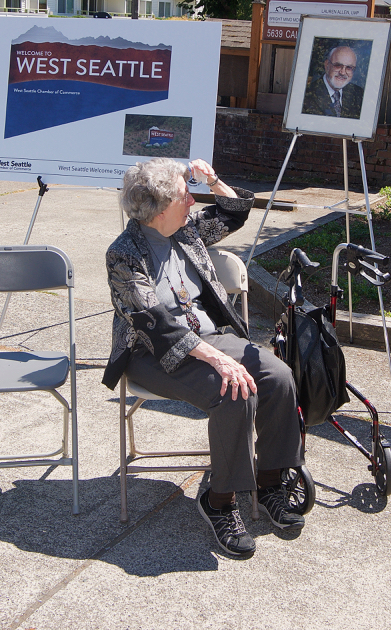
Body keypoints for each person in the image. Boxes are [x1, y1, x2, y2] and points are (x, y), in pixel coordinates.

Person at [104, 158, 305, 558]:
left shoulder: (186, 231)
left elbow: (234, 212)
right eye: (185, 195)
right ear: (160, 210)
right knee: (235, 393)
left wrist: (213, 180)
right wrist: (217, 359)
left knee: (279, 377)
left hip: (208, 338)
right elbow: (156, 325)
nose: (192, 201)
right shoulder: (123, 255)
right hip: (153, 352)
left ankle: (268, 483)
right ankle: (219, 501)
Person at [301, 44, 365, 119]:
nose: (343, 72)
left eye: (349, 68)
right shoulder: (306, 95)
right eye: (338, 65)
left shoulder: (359, 94)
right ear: (327, 65)